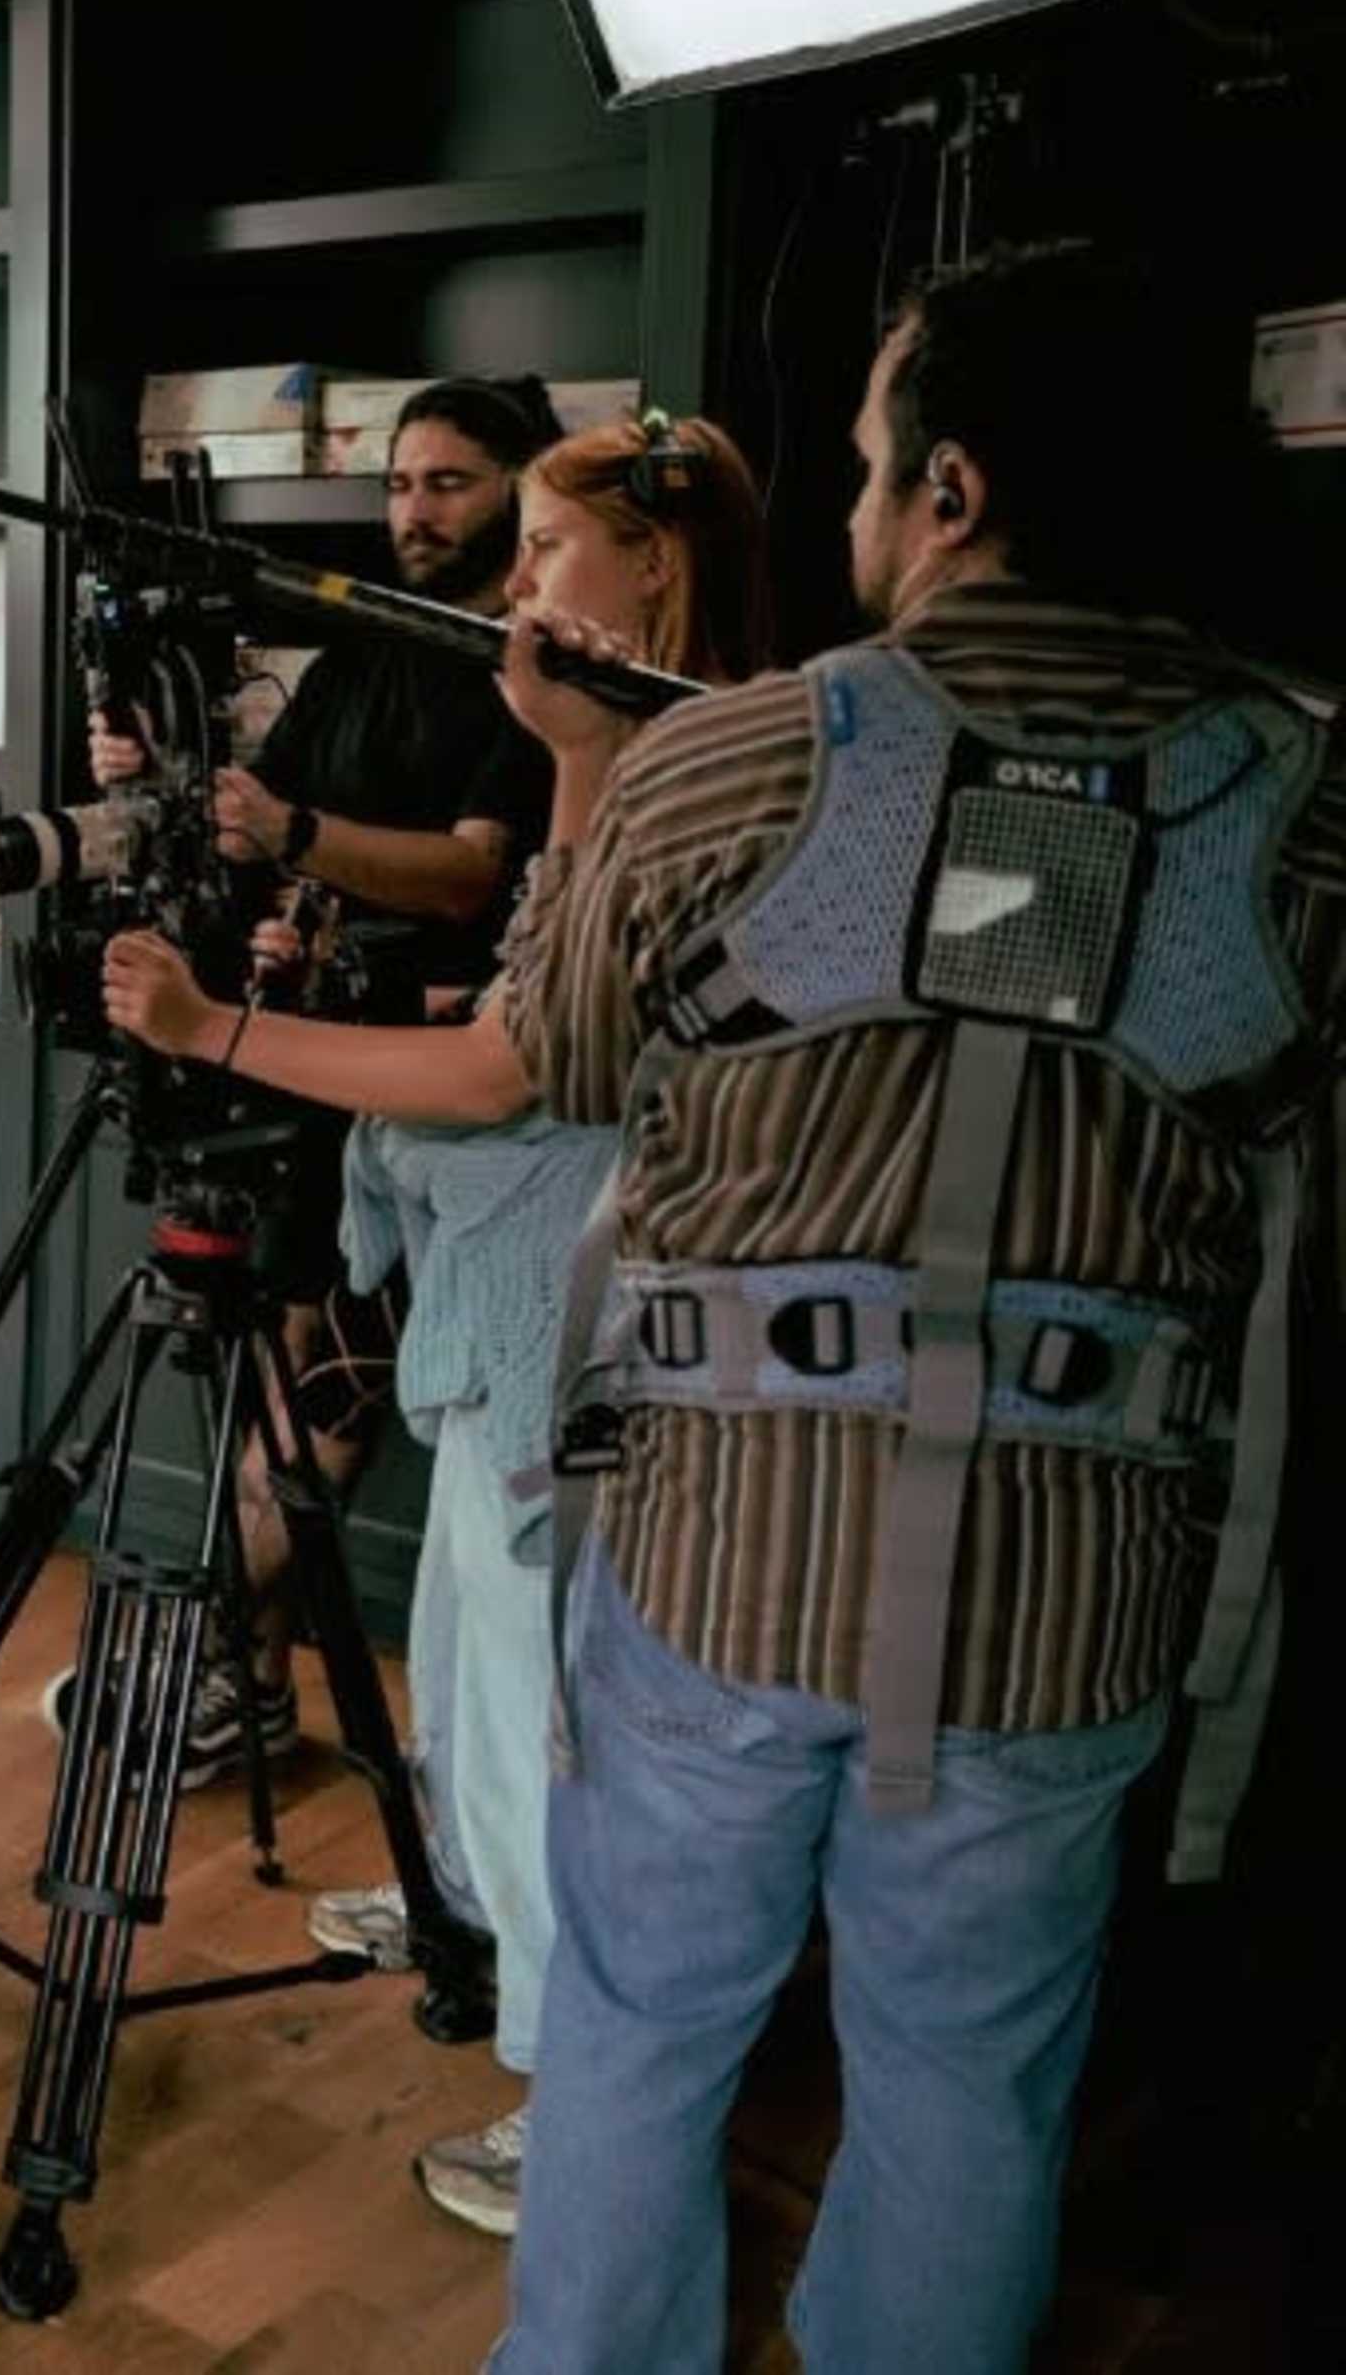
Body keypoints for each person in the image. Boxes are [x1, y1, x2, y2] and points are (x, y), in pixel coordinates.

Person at [488, 245, 1346, 2372]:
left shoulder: (724, 762)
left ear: (950, 490)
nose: (857, 505)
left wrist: (581, 770)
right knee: (974, 2085)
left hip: (719, 1548)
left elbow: (575, 1055)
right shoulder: (1311, 812)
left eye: (871, 463)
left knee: (638, 2026)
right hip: (1071, 1590)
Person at [101, 413, 773, 2240]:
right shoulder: (614, 755)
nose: (524, 586)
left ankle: (577, 2120)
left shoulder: (706, 768)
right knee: (466, 1644)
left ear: (652, 570)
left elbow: (517, 1056)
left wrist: (211, 1032)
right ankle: (463, 1898)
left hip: (578, 1289)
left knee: (533, 1699)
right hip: (500, 1292)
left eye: (551, 547)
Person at [79, 376, 570, 1785]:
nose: (413, 510)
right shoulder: (364, 643)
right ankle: (253, 1680)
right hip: (316, 1075)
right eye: (401, 480)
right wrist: (179, 779)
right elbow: (257, 831)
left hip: (448, 1094)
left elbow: (477, 863)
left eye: (449, 482)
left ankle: (225, 1665)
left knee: (327, 1408)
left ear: (519, 490)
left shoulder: (529, 673)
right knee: (284, 1387)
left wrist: (299, 831)